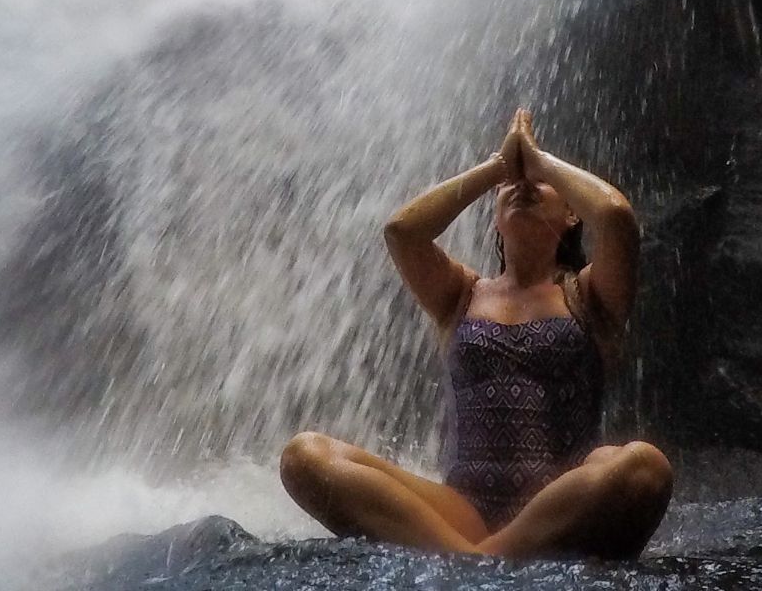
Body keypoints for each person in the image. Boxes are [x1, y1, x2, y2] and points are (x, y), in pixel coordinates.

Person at [279, 109, 672, 559]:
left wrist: (538, 161)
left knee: (643, 468)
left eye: (539, 185)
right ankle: (485, 560)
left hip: (563, 503)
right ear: (494, 221)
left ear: (571, 214)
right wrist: (496, 168)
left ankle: (470, 561)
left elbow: (616, 216)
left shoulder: (589, 296)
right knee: (305, 455)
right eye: (509, 187)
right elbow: (403, 232)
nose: (522, 186)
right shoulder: (460, 294)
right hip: (458, 511)